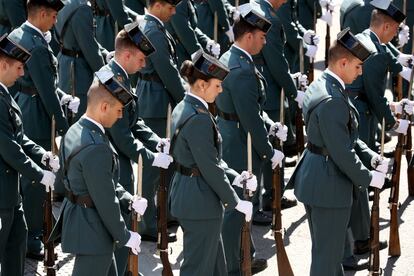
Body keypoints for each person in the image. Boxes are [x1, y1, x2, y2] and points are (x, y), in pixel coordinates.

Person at [287, 28, 387, 276]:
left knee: (328, 254)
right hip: (327, 184)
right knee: (327, 259)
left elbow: (344, 136)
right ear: (343, 62)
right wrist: (368, 177)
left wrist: (370, 155)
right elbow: (342, 151)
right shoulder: (333, 99)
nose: (360, 71)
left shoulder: (325, 84)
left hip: (318, 177)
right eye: (357, 66)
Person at [169, 50, 255, 276]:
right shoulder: (198, 118)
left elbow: (207, 159)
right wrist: (235, 202)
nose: (221, 90)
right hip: (199, 202)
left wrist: (234, 175)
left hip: (193, 195)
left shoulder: (186, 106)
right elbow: (209, 166)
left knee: (216, 266)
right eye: (217, 85)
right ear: (201, 85)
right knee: (197, 268)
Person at [215, 4, 285, 275]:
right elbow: (250, 119)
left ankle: (246, 252)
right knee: (237, 206)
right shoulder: (243, 70)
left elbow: (252, 111)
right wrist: (269, 151)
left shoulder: (232, 56)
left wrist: (272, 125)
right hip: (240, 142)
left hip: (232, 133)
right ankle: (233, 266)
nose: (265, 41)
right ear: (249, 37)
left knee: (241, 204)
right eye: (262, 36)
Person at [8, 0, 80, 260]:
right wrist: (65, 128)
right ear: (41, 14)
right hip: (37, 116)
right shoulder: (37, 46)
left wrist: (62, 96)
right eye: (52, 16)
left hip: (23, 106)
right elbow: (46, 91)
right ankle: (33, 236)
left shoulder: (19, 33)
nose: (54, 22)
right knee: (36, 182)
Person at [57, 71, 148, 276]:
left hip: (85, 225)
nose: (121, 115)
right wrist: (125, 236)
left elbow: (101, 180)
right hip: (94, 233)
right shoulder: (96, 146)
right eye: (118, 109)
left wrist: (127, 199)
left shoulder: (77, 130)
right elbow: (105, 200)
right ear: (104, 107)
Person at [103, 22, 175, 275]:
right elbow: (122, 136)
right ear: (126, 55)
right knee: (120, 222)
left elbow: (134, 122)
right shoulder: (113, 82)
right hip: (112, 160)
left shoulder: (121, 77)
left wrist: (155, 140)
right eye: (141, 59)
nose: (144, 66)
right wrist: (153, 157)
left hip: (118, 157)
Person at [0, 34, 57, 276]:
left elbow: (18, 137)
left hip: (10, 194)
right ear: (3, 65)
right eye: (19, 67)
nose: (22, 74)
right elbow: (9, 148)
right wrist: (39, 175)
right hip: (1, 195)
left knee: (17, 245)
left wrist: (41, 154)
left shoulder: (5, 94)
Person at [346, 0, 412, 151]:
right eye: (395, 30)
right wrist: (393, 123)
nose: (395, 35)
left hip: (352, 106)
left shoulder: (364, 36)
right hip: (361, 114)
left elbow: (383, 47)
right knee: (364, 159)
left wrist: (399, 61)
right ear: (386, 26)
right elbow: (375, 97)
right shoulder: (375, 54)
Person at [56, 0, 109, 121]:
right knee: (80, 119)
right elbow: (89, 48)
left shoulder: (66, 3)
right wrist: (106, 78)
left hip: (65, 63)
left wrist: (105, 53)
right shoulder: (83, 8)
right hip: (78, 72)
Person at [165, 0, 221, 67]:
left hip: (186, 50)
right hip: (181, 53)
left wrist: (206, 41)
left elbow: (192, 27)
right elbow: (183, 30)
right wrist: (198, 54)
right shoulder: (179, 2)